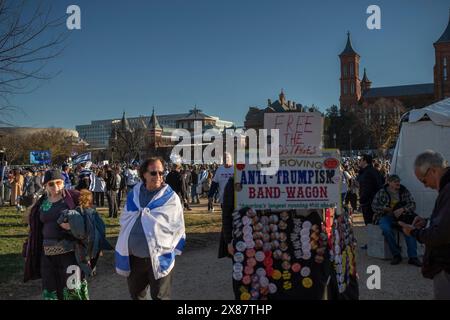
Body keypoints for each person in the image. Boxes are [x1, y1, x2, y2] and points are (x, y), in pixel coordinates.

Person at [115, 157, 186, 300]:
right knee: (137, 296)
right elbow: (125, 219)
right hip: (134, 260)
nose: (159, 176)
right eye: (154, 173)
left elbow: (177, 226)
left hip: (160, 258)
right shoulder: (133, 194)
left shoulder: (170, 198)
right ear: (144, 174)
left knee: (160, 297)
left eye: (161, 173)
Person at [23, 170, 89, 300]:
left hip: (70, 255)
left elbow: (89, 223)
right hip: (47, 257)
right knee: (50, 292)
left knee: (72, 291)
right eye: (51, 184)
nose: (56, 187)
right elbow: (35, 230)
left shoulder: (73, 199)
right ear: (45, 186)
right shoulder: (41, 204)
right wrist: (28, 248)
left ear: (63, 183)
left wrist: (73, 227)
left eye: (59, 183)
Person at [400, 150, 450, 300]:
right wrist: (428, 221)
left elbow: (442, 234)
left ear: (433, 171)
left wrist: (414, 232)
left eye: (423, 181)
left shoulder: (448, 190)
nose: (426, 186)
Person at [371, 174, 422, 266]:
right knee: (386, 229)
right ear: (389, 182)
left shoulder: (403, 191)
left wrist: (403, 209)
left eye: (398, 181)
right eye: (395, 181)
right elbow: (374, 206)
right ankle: (396, 254)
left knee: (409, 230)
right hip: (386, 216)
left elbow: (412, 204)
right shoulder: (382, 192)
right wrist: (384, 209)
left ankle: (413, 257)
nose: (398, 183)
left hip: (402, 217)